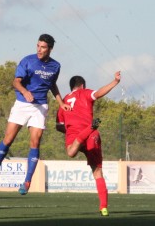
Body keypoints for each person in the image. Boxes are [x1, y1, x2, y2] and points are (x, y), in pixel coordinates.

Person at [0, 34, 70, 195]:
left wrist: (61, 103)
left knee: (35, 141)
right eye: (38, 46)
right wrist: (25, 91)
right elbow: (16, 81)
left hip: (40, 106)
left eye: (43, 47)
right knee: (8, 139)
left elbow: (52, 85)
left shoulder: (55, 66)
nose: (39, 49)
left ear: (50, 49)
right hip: (22, 104)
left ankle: (27, 181)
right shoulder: (28, 60)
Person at [56, 71, 121, 216]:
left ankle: (81, 137)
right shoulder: (85, 93)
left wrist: (68, 127)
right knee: (97, 172)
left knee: (71, 152)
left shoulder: (64, 101)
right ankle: (103, 206)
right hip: (90, 133)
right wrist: (115, 81)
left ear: (71, 86)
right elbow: (98, 93)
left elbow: (58, 126)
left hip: (74, 135)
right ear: (83, 85)